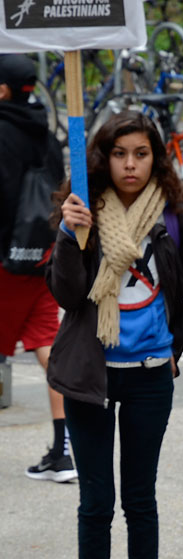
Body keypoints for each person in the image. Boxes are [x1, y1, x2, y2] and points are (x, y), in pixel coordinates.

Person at [47, 111, 183, 559]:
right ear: (103, 159)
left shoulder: (173, 218)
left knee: (140, 498)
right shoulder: (83, 212)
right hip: (91, 376)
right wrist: (68, 234)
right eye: (120, 154)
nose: (130, 165)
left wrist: (176, 336)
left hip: (149, 374)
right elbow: (66, 294)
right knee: (96, 499)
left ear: (155, 160)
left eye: (141, 154)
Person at [0, 54, 72, 482]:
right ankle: (65, 451)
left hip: (5, 259)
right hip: (42, 256)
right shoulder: (47, 133)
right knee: (48, 345)